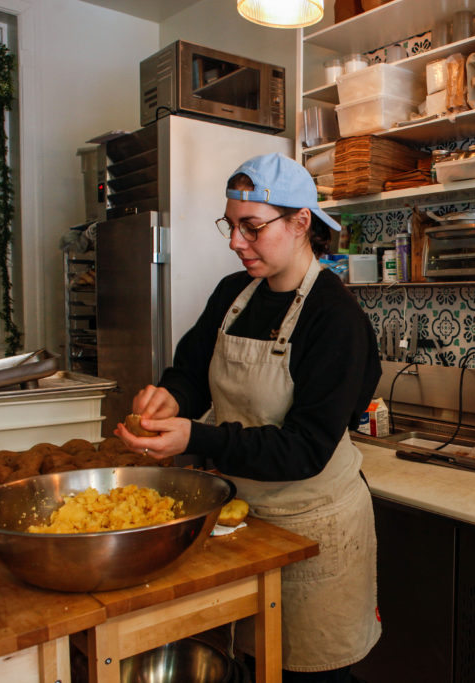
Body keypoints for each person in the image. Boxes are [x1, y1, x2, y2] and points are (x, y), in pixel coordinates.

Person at [116, 153, 381, 682]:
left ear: (300, 221)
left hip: (313, 528)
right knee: (247, 665)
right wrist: (172, 398)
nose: (236, 242)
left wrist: (197, 436)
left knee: (310, 675)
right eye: (231, 225)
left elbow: (304, 449)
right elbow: (192, 371)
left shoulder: (336, 319)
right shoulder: (232, 293)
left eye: (252, 227)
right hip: (241, 522)